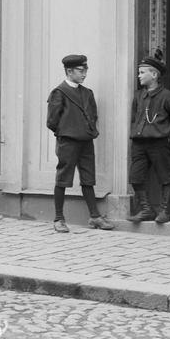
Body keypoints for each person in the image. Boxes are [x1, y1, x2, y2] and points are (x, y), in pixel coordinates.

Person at [46, 54, 114, 232]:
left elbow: (93, 115)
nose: (84, 74)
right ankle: (59, 219)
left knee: (88, 178)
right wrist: (67, 131)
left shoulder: (87, 93)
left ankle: (95, 217)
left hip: (86, 141)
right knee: (63, 178)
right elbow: (52, 121)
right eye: (81, 70)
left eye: (86, 70)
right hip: (68, 141)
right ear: (69, 71)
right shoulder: (59, 92)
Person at [126, 55, 170, 224]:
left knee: (165, 177)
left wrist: (169, 137)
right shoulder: (139, 96)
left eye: (142, 72)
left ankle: (165, 211)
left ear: (154, 75)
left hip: (159, 143)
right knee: (135, 176)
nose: (139, 76)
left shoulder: (167, 96)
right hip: (139, 143)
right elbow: (134, 118)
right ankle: (147, 210)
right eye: (139, 72)